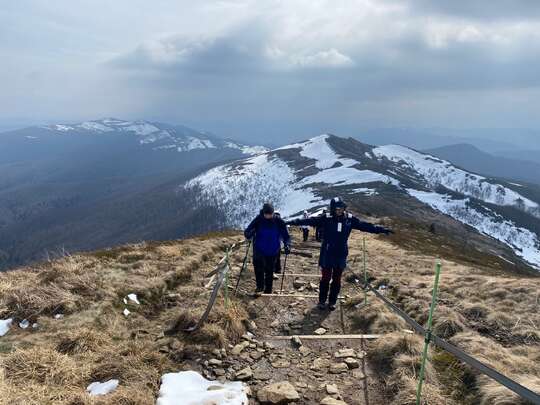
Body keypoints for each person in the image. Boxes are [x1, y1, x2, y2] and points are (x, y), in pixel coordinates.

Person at [287, 197, 392, 310]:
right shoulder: (326, 218)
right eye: (337, 208)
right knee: (325, 278)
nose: (340, 210)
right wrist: (292, 222)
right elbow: (309, 221)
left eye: (342, 208)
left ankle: (332, 301)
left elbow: (364, 226)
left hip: (341, 253)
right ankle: (322, 301)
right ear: (332, 209)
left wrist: (380, 229)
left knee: (337, 279)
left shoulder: (349, 219)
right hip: (327, 253)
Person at [244, 203, 291, 296]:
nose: (268, 216)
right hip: (259, 248)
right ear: (263, 213)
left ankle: (268, 290)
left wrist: (287, 245)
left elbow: (286, 236)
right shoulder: (259, 219)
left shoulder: (278, 221)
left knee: (269, 270)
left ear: (273, 213)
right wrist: (249, 234)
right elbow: (247, 231)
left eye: (270, 214)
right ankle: (260, 287)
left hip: (273, 250)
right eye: (266, 214)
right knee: (258, 267)